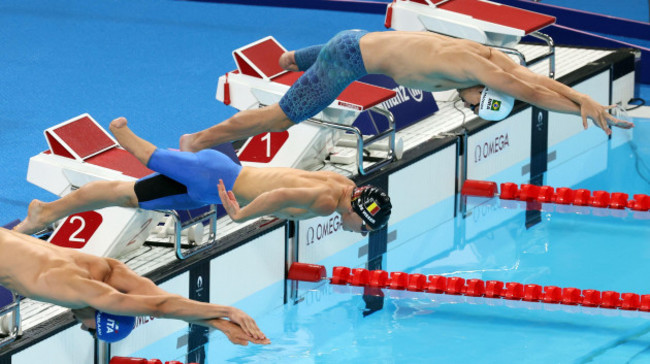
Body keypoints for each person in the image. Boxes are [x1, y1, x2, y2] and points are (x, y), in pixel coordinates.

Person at [178, 30, 633, 153]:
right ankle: (197, 140)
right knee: (281, 116)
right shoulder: (477, 68)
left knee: (288, 65)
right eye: (479, 106)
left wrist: (584, 100)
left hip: (356, 39)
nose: (469, 106)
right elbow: (527, 91)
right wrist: (579, 108)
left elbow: (533, 81)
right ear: (483, 92)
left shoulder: (491, 63)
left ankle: (291, 59)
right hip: (349, 59)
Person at [14, 117, 391, 236]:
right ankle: (125, 134)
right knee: (144, 158)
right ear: (358, 211)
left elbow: (287, 185)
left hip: (209, 190)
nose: (359, 231)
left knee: (126, 195)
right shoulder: (328, 202)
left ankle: (45, 213)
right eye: (363, 227)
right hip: (216, 176)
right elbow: (279, 196)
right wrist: (242, 214)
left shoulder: (343, 185)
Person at [0, 227, 269, 345]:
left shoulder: (102, 269)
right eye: (90, 330)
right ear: (103, 313)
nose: (81, 326)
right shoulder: (81, 292)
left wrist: (219, 324)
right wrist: (229, 311)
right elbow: (161, 305)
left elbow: (162, 300)